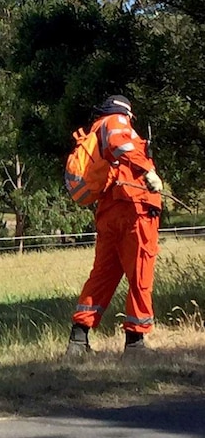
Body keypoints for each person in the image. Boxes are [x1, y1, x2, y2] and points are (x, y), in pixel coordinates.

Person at [66, 95, 164, 357]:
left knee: (102, 275)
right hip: (135, 210)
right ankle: (135, 342)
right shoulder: (117, 121)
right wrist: (148, 171)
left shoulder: (96, 131)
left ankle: (78, 338)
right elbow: (122, 144)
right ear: (126, 113)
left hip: (109, 213)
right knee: (140, 274)